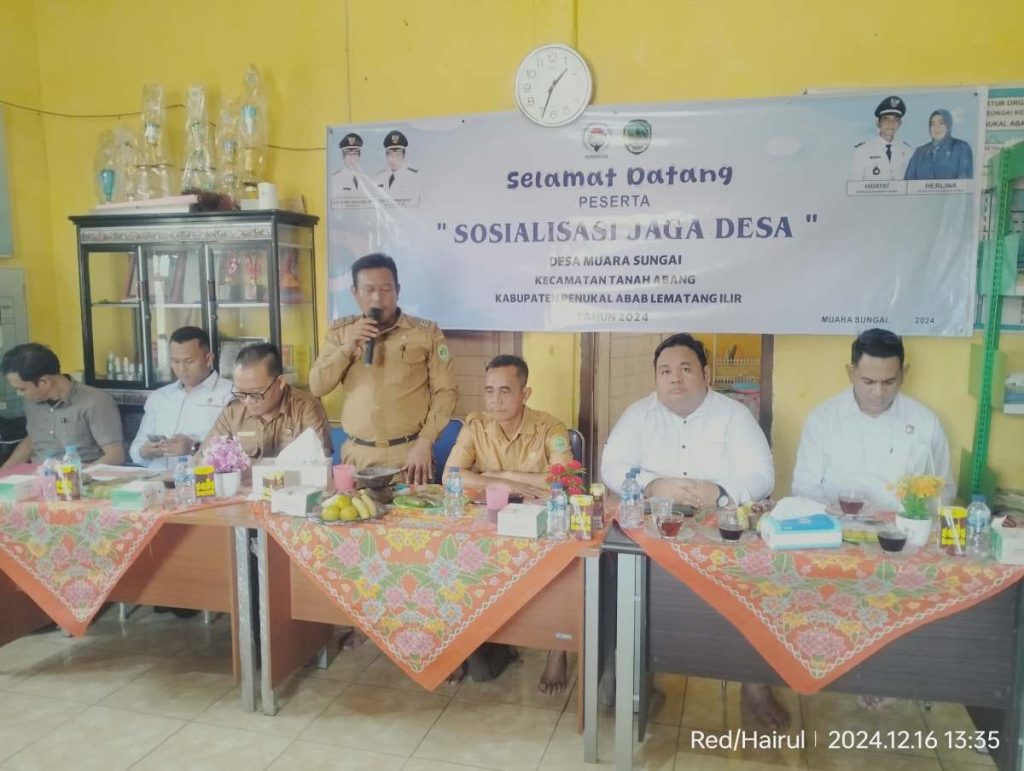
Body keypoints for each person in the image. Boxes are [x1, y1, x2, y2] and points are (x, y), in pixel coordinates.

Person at [600, 334, 783, 728]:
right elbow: (611, 465)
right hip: (654, 533)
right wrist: (653, 484)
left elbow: (762, 474)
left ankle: (754, 682)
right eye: (665, 371)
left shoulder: (734, 415)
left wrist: (720, 492)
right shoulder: (639, 414)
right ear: (655, 377)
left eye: (685, 369)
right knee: (618, 568)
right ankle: (631, 671)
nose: (675, 378)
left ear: (706, 373)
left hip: (721, 535)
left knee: (757, 581)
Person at [443, 354, 574, 691]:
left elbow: (562, 481)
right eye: (489, 391)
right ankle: (458, 646)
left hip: (537, 527)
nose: (495, 400)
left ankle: (557, 651)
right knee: (449, 558)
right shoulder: (475, 425)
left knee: (563, 567)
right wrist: (507, 483)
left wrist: (499, 475)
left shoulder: (551, 428)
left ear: (525, 394)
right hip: (488, 525)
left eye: (505, 391)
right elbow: (450, 476)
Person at [308, 252, 457, 484]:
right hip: (357, 455)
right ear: (355, 293)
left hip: (409, 455)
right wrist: (347, 348)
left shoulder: (426, 334)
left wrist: (425, 442)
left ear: (398, 290)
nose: (378, 298)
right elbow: (317, 386)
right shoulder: (340, 334)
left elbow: (446, 392)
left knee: (412, 510)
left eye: (386, 289)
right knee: (355, 508)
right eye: (369, 290)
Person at [792, 328, 954, 510]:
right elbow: (805, 487)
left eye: (888, 382)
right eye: (868, 382)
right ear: (850, 374)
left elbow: (943, 490)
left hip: (903, 525)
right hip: (837, 523)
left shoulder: (925, 422)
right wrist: (832, 516)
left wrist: (916, 520)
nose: (878, 393)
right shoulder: (823, 419)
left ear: (903, 374)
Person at [199, 342, 331, 460]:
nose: (248, 401)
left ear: (280, 382)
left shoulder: (305, 409)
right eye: (241, 392)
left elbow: (319, 464)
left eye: (256, 393)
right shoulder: (233, 412)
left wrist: (253, 467)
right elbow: (203, 458)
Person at [1, 343, 123, 468]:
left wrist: (78, 475)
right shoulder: (32, 403)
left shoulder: (95, 401)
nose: (19, 394)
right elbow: (32, 441)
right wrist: (4, 472)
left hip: (82, 474)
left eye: (22, 389)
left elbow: (115, 456)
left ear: (44, 382)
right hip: (40, 474)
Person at [129, 326, 233, 469]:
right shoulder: (159, 397)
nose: (181, 369)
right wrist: (145, 451)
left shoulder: (230, 394)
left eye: (189, 361)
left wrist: (194, 447)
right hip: (157, 477)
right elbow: (135, 450)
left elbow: (238, 452)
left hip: (202, 478)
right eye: (175, 362)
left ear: (208, 358)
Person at [849, 95, 912, 181]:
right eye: (886, 119)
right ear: (878, 123)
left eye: (895, 119)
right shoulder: (862, 150)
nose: (891, 124)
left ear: (900, 124)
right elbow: (854, 184)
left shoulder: (908, 150)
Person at [904, 109, 973, 181]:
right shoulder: (920, 152)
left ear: (949, 125)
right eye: (933, 124)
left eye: (941, 123)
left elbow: (964, 182)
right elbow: (908, 182)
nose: (936, 128)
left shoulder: (961, 147)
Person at [329, 132, 377, 209]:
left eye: (355, 154)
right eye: (348, 154)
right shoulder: (335, 179)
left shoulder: (367, 179)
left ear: (359, 156)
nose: (352, 158)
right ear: (343, 156)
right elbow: (334, 206)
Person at [374, 130, 420, 204]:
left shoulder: (413, 177)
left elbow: (416, 203)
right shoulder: (379, 176)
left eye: (398, 155)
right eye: (391, 155)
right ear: (386, 156)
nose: (394, 159)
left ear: (404, 156)